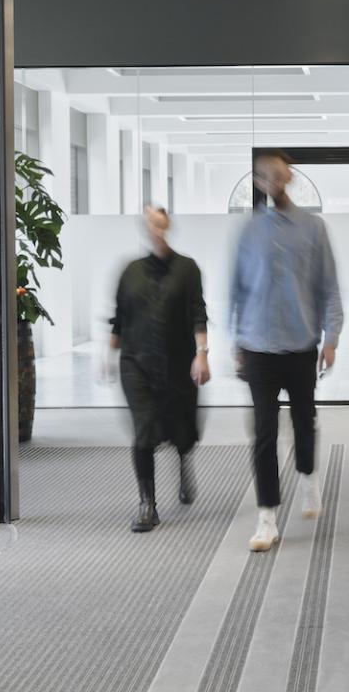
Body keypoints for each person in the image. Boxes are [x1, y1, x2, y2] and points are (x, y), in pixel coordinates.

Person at [230, 149, 345, 552]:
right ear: (259, 183)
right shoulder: (249, 231)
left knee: (303, 420)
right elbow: (238, 288)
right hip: (258, 345)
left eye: (279, 175)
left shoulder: (313, 228)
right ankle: (267, 518)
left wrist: (331, 338)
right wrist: (235, 338)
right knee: (263, 432)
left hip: (299, 344)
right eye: (265, 177)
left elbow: (328, 286)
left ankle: (309, 477)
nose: (272, 182)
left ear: (289, 178)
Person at [108, 205, 209, 533]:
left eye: (161, 225)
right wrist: (109, 353)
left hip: (178, 363)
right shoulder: (130, 271)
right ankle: (147, 504)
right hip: (136, 364)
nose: (157, 231)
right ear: (145, 228)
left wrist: (202, 353)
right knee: (144, 430)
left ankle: (183, 462)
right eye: (151, 225)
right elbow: (119, 316)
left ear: (168, 228)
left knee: (182, 429)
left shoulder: (187, 269)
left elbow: (198, 312)